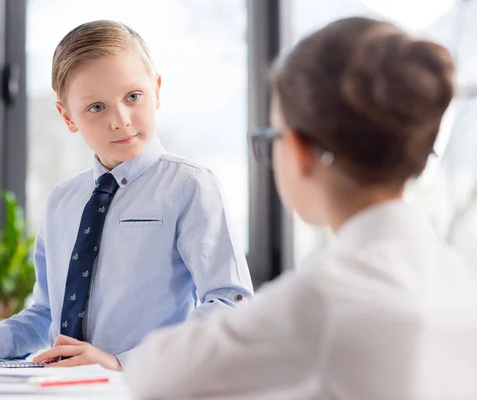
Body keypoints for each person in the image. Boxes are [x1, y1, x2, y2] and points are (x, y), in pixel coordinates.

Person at [124, 16, 477, 399]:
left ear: (300, 151)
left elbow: (153, 376)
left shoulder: (324, 298)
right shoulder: (462, 279)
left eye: (272, 135)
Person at [0, 20, 253, 371]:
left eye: (133, 97)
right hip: (61, 389)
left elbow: (230, 302)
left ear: (157, 90)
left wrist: (119, 363)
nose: (120, 120)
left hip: (148, 388)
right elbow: (48, 312)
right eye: (96, 107)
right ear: (67, 116)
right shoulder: (62, 201)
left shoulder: (189, 186)